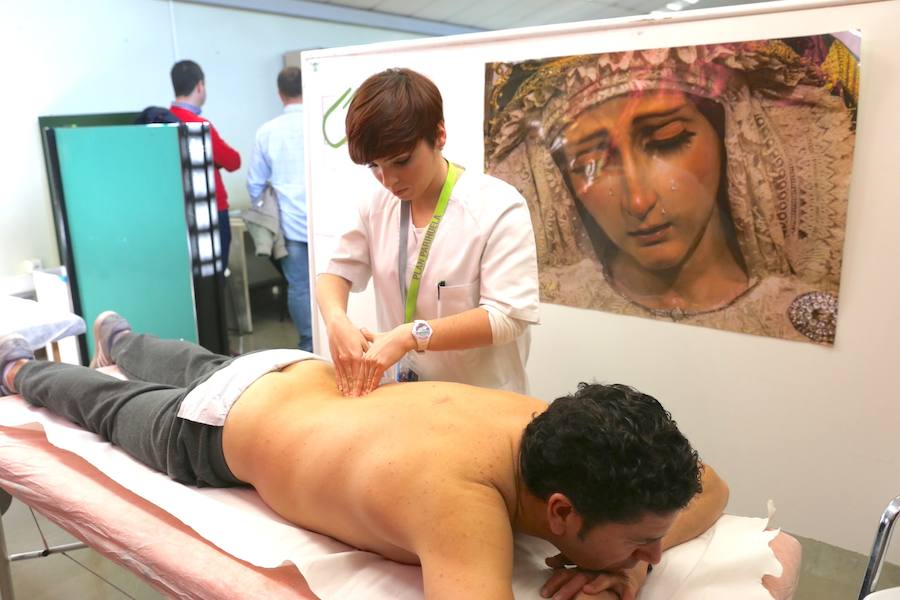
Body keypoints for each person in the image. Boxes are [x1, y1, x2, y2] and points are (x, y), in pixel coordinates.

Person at [0, 313, 727, 600]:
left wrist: (624, 563)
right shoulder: (463, 500)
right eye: (642, 541)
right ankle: (17, 372)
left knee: (193, 357)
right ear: (562, 513)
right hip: (215, 431)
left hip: (294, 371)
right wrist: (622, 578)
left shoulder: (559, 426)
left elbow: (713, 487)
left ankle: (125, 340)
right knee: (103, 405)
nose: (657, 554)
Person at [485, 36, 857, 345]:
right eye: (590, 165)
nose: (638, 201)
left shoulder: (797, 318)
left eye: (668, 140)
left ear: (731, 139)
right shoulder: (554, 300)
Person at [317, 68, 540, 397]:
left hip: (480, 399)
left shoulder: (497, 207)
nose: (388, 180)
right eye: (375, 167)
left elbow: (507, 318)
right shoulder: (375, 203)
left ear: (439, 135)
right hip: (405, 398)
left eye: (401, 161)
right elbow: (335, 273)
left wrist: (413, 335)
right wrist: (336, 321)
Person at [247, 66, 312, 352]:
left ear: (280, 94)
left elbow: (254, 184)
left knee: (299, 287)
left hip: (291, 227)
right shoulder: (322, 124)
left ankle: (308, 346)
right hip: (328, 226)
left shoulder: (267, 132)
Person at [169, 59, 242, 271]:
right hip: (211, 214)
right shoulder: (199, 125)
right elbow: (232, 161)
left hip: (178, 214)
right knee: (214, 279)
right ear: (200, 86)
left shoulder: (162, 121)